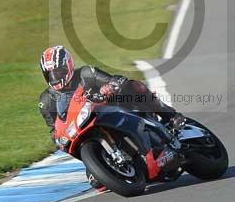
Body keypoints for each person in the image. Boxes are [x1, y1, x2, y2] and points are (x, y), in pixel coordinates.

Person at [37, 45, 184, 141]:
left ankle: (170, 116)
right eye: (50, 74)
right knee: (97, 181)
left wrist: (110, 86)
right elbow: (55, 131)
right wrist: (57, 137)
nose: (56, 78)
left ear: (68, 65)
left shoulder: (86, 73)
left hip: (111, 109)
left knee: (136, 87)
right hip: (84, 132)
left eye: (58, 72)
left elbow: (114, 80)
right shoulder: (46, 101)